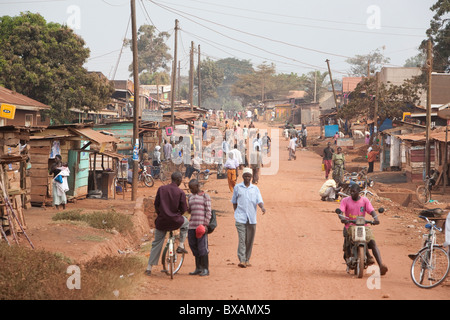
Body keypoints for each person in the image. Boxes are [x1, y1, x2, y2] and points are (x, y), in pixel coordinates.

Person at [145, 172, 189, 276]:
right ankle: (181, 245)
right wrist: (176, 215)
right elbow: (183, 209)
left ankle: (149, 268)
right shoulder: (180, 192)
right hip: (175, 221)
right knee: (186, 223)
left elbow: (156, 205)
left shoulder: (161, 189)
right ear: (178, 180)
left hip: (162, 221)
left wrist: (161, 214)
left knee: (156, 243)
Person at [338, 183, 388, 275]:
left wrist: (376, 218)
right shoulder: (345, 200)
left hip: (363, 226)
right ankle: (353, 257)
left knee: (372, 242)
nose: (352, 193)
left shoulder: (364, 201)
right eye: (351, 191)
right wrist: (342, 218)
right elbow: (341, 211)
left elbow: (371, 210)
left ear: (359, 192)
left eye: (354, 191)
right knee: (348, 242)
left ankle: (381, 265)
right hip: (351, 225)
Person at [231, 168, 266, 268]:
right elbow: (234, 202)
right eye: (245, 176)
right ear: (242, 177)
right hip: (240, 218)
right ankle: (242, 259)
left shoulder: (255, 189)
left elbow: (259, 200)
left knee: (249, 240)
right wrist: (236, 213)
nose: (247, 178)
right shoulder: (237, 187)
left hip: (251, 218)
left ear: (251, 177)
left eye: (249, 176)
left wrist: (262, 207)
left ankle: (247, 259)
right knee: (242, 239)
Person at [187, 179, 212, 276]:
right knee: (193, 246)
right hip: (192, 225)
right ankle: (198, 267)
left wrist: (205, 224)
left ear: (197, 186)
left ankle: (205, 268)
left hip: (201, 226)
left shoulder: (205, 196)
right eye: (190, 189)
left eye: (192, 188)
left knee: (202, 248)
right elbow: (190, 211)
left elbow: (208, 211)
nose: (191, 190)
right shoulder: (190, 197)